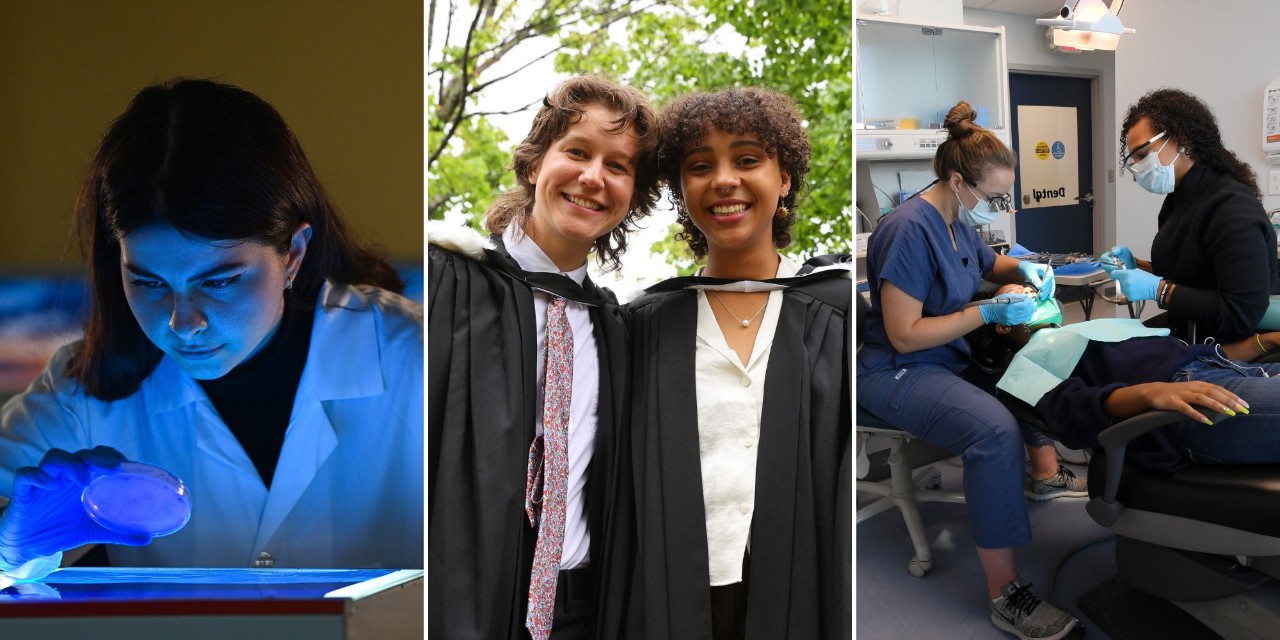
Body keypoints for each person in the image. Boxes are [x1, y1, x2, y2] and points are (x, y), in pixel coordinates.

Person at [0, 79, 423, 581]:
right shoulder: (79, 394)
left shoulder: (417, 361)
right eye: (148, 281)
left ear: (293, 253)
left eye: (220, 281)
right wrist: (10, 548)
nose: (183, 322)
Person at [609, 86, 851, 640]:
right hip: (677, 590)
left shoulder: (832, 311)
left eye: (747, 159)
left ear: (784, 176)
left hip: (801, 585)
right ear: (681, 190)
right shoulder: (644, 324)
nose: (723, 179)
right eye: (699, 166)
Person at [427, 75, 660, 640]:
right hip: (464, 603)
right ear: (534, 165)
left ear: (631, 196)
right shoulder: (446, 283)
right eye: (576, 152)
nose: (592, 177)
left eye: (618, 166)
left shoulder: (617, 326)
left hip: (578, 611)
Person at [857, 101, 1082, 640]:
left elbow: (986, 263)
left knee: (1031, 380)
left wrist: (1030, 266)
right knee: (992, 429)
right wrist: (986, 311)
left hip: (943, 357)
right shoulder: (908, 229)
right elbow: (905, 332)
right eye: (991, 196)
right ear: (957, 180)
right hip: (898, 369)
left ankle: (1045, 479)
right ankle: (1006, 596)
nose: (995, 205)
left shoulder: (956, 220)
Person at [989, 283, 1275, 471]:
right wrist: (1148, 393)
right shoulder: (1026, 363)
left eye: (1034, 291)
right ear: (1001, 326)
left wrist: (1265, 342)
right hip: (1187, 406)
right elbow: (1074, 409)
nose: (1032, 295)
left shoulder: (1090, 331)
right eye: (1017, 296)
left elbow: (1190, 355)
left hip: (1221, 371)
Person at [1102, 88, 1277, 344]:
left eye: (1142, 153)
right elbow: (1192, 274)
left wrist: (1157, 290)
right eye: (1132, 160)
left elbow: (1242, 313)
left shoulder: (1232, 208)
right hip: (1189, 328)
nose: (1138, 168)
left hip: (1227, 345)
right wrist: (1139, 268)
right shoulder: (1178, 200)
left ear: (1181, 139)